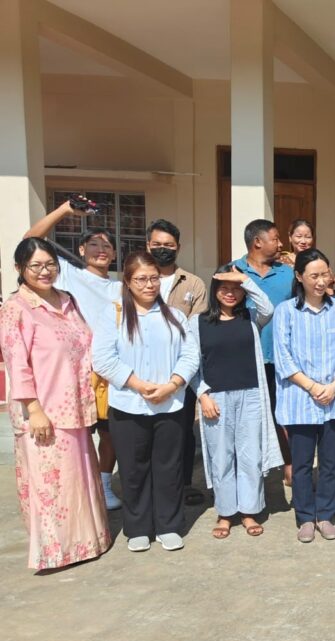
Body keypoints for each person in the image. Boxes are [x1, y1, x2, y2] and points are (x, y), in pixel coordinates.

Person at [0, 238, 112, 571]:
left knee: (78, 481)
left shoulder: (67, 300)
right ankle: (55, 551)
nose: (44, 271)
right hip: (43, 411)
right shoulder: (16, 309)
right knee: (50, 485)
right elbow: (16, 362)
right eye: (36, 266)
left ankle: (88, 542)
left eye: (50, 264)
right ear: (21, 269)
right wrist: (33, 409)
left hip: (75, 407)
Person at [92, 251, 200, 553]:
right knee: (133, 469)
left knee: (169, 468)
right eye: (141, 279)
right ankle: (137, 527)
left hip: (170, 406)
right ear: (127, 281)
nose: (149, 285)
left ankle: (168, 525)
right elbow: (102, 358)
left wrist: (172, 384)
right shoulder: (113, 315)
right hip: (128, 406)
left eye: (154, 278)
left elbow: (190, 355)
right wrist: (138, 384)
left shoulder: (176, 317)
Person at [24, 196, 123, 510]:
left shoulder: (121, 287)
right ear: (81, 250)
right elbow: (30, 242)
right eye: (94, 244)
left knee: (110, 435)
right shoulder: (68, 274)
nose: (101, 250)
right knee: (77, 436)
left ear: (116, 254)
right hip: (73, 373)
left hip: (107, 371)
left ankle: (104, 486)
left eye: (107, 245)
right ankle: (80, 489)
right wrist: (65, 210)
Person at [190, 266, 283, 539]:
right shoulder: (198, 323)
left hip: (251, 395)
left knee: (250, 455)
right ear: (214, 290)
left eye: (235, 289)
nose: (230, 293)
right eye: (224, 288)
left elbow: (268, 306)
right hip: (215, 398)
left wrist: (244, 278)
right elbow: (192, 367)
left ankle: (249, 511)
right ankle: (225, 513)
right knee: (221, 457)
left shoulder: (253, 318)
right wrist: (202, 395)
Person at [273, 249, 335, 543]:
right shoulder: (285, 312)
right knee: (303, 463)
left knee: (331, 461)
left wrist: (334, 386)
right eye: (314, 275)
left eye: (325, 274)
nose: (321, 281)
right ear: (299, 277)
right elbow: (283, 358)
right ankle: (305, 517)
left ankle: (325, 514)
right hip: (299, 400)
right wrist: (312, 387)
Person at [146, 218, 208, 507]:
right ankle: (150, 486)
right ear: (148, 245)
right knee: (145, 431)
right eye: (157, 244)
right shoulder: (136, 280)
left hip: (181, 372)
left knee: (182, 431)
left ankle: (182, 484)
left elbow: (196, 331)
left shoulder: (193, 283)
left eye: (168, 245)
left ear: (178, 247)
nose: (162, 250)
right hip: (142, 371)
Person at [232, 219, 294, 486]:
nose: (281, 244)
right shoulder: (233, 271)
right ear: (257, 242)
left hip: (282, 360)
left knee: (285, 416)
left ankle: (290, 465)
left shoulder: (288, 274)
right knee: (247, 420)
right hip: (246, 360)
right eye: (275, 238)